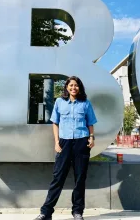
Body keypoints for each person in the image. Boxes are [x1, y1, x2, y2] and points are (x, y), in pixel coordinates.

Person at [34, 76, 97, 220]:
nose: (73, 88)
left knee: (80, 178)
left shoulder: (85, 103)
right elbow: (55, 123)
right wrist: (56, 142)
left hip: (82, 142)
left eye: (76, 85)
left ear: (79, 87)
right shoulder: (59, 102)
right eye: (71, 85)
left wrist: (92, 137)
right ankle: (46, 212)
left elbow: (90, 123)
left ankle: (77, 212)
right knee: (58, 177)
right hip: (64, 142)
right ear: (66, 87)